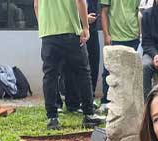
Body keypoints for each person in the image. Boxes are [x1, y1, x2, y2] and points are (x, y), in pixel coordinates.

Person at [34, 0, 105, 130]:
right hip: (71, 31)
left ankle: (52, 118)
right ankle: (88, 114)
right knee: (83, 73)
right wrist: (85, 27)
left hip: (48, 34)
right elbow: (80, 1)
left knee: (50, 75)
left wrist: (44, 25)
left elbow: (36, 5)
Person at [99, 0, 141, 106]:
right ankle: (106, 102)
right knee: (109, 70)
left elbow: (138, 11)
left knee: (132, 72)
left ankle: (129, 102)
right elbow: (103, 12)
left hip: (133, 35)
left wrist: (139, 33)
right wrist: (106, 35)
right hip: (114, 36)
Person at [64, 0, 102, 113]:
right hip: (76, 29)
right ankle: (73, 103)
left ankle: (89, 98)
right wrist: (84, 18)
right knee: (73, 67)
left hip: (92, 29)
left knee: (93, 64)